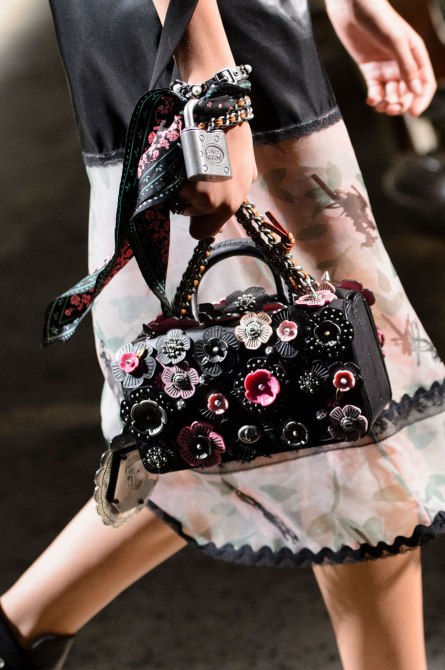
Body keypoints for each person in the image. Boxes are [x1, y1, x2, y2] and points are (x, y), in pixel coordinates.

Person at [1, 1, 444, 669]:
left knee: (248, 406)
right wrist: (213, 92)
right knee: (335, 399)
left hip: (211, 41)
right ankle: (19, 630)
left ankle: (19, 633)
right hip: (199, 42)